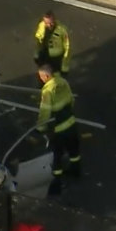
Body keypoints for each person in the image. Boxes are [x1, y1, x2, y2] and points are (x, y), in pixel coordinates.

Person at [36, 63, 81, 196]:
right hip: (70, 122)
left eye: (41, 77)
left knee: (57, 156)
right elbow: (71, 99)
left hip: (59, 128)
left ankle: (57, 184)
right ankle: (76, 171)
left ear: (46, 75)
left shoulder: (47, 91)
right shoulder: (63, 82)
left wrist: (41, 127)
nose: (41, 79)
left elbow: (45, 111)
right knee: (74, 151)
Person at [34, 10, 71, 77]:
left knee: (56, 77)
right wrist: (37, 54)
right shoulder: (41, 26)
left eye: (51, 23)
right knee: (43, 75)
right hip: (45, 55)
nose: (49, 25)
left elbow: (67, 46)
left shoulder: (62, 29)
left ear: (54, 20)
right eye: (46, 23)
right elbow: (38, 41)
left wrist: (64, 66)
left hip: (57, 58)